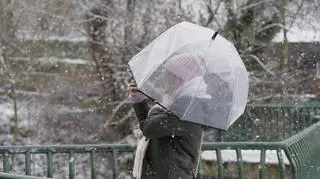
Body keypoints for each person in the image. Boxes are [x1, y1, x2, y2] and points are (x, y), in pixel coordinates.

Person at [128, 53, 205, 179]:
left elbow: (149, 129)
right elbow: (150, 127)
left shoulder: (188, 108)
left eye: (167, 75)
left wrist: (145, 106)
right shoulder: (178, 104)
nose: (162, 80)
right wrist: (139, 99)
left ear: (179, 79)